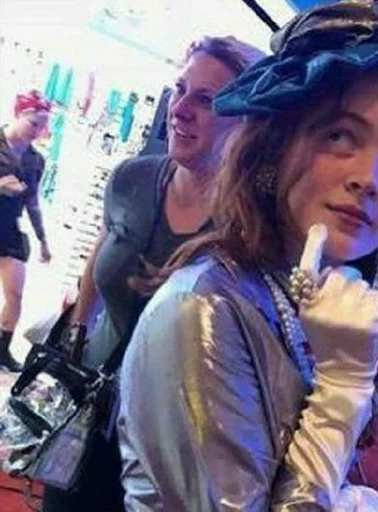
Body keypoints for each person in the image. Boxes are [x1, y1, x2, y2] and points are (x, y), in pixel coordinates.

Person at [118, 1, 378, 510]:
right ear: (277, 143)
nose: (368, 179)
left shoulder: (306, 298)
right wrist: (342, 389)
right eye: (340, 136)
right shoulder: (204, 307)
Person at [42, 36, 265, 512]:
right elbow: (101, 254)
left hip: (170, 440)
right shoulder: (133, 179)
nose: (179, 109)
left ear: (246, 119)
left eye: (205, 100)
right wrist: (77, 332)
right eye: (180, 90)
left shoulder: (250, 229)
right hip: (88, 405)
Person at [0, 90, 52, 372]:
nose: (37, 131)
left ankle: (2, 349)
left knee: (15, 294)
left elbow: (32, 201)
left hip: (9, 229)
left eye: (42, 126)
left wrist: (43, 239)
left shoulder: (35, 160)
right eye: (33, 123)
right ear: (18, 114)